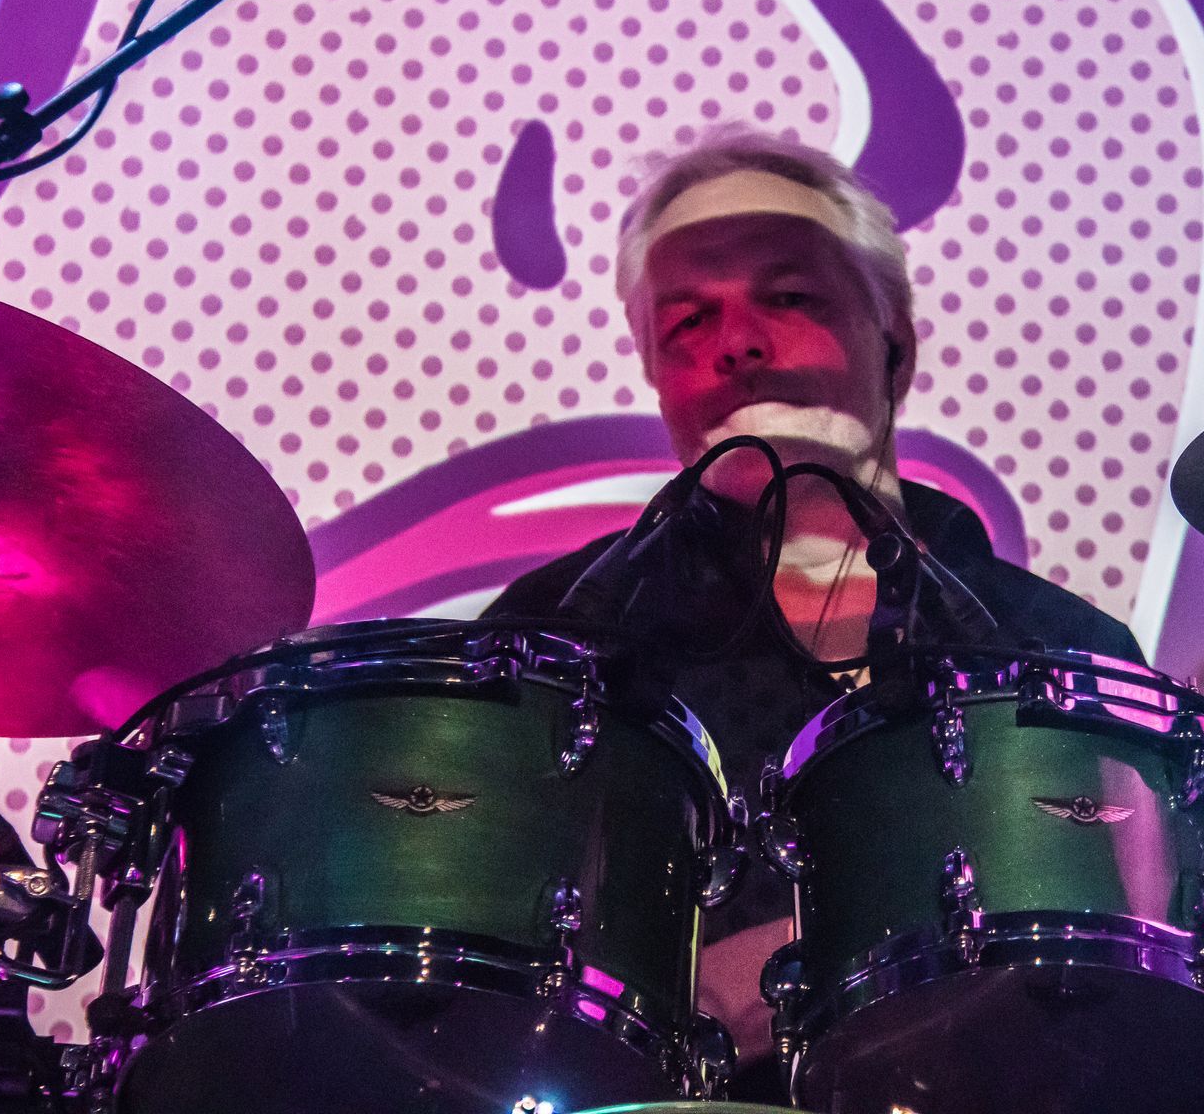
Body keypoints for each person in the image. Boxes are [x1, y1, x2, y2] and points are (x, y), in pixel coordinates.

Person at [485, 125, 1144, 1098]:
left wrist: (804, 965)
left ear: (894, 339)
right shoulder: (553, 633)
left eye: (790, 296)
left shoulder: (1060, 647)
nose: (737, 342)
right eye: (687, 321)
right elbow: (475, 991)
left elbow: (1139, 988)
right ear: (654, 372)